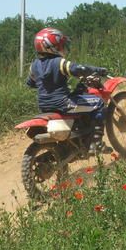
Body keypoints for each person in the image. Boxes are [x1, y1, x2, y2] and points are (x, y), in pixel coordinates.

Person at [26, 27, 111, 155]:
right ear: (53, 46)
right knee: (98, 103)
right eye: (61, 45)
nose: (63, 48)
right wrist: (98, 70)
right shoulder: (59, 62)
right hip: (63, 103)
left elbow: (31, 83)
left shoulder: (34, 66)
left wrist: (48, 84)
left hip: (44, 106)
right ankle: (96, 143)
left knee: (78, 96)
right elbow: (78, 68)